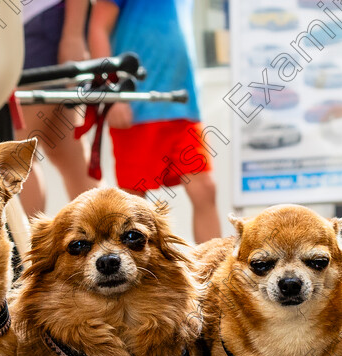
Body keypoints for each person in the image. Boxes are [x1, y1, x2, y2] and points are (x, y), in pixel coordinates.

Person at [89, 0, 221, 243]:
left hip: (184, 105)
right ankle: (136, 277)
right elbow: (98, 27)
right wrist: (113, 94)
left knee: (205, 190)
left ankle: (212, 272)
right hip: (136, 108)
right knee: (132, 205)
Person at [17, 0, 99, 216]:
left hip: (41, 26)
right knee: (66, 151)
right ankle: (108, 241)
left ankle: (25, 247)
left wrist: (73, 35)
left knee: (15, 154)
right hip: (35, 27)